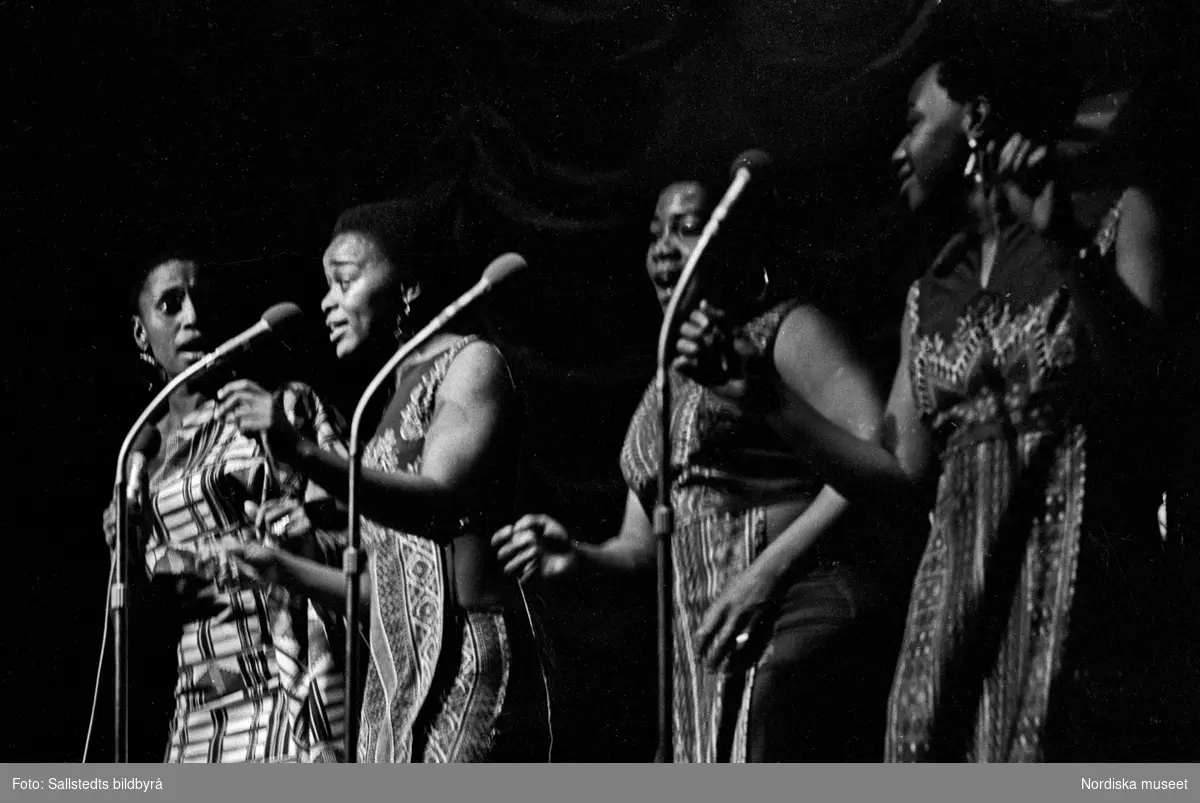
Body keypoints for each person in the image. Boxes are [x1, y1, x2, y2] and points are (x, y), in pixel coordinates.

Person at [676, 7, 1194, 761]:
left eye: (914, 124)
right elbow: (897, 472)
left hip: (1079, 601)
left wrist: (1068, 247)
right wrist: (771, 400)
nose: (897, 150)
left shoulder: (1112, 217)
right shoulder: (931, 291)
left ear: (977, 119)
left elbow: (1153, 391)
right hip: (955, 619)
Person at [492, 179, 899, 762]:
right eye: (655, 233)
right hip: (707, 651)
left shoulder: (783, 329)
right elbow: (639, 552)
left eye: (686, 228)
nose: (661, 248)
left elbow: (873, 454)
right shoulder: (663, 387)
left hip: (793, 614)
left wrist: (763, 577)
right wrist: (575, 556)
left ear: (735, 244)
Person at [215, 198, 551, 762]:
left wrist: (299, 451)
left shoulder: (471, 363)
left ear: (409, 287)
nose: (327, 302)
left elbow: (441, 497)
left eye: (343, 281)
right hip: (395, 676)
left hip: (463, 661)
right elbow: (389, 593)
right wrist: (282, 569)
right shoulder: (388, 398)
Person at [102, 253, 348, 763]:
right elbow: (142, 611)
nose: (193, 317)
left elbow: (363, 538)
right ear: (140, 334)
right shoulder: (139, 461)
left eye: (203, 301)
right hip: (203, 690)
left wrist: (294, 538)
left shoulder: (281, 407)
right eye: (170, 305)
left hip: (288, 678)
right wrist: (126, 550)